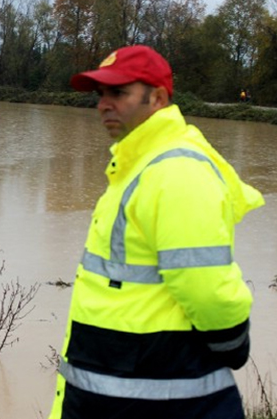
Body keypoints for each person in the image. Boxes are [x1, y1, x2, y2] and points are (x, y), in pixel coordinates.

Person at [48, 45, 265, 419]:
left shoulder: (177, 171)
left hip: (161, 398)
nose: (103, 105)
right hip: (125, 389)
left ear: (158, 98)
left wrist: (232, 340)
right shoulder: (138, 164)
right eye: (101, 95)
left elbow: (204, 284)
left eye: (119, 93)